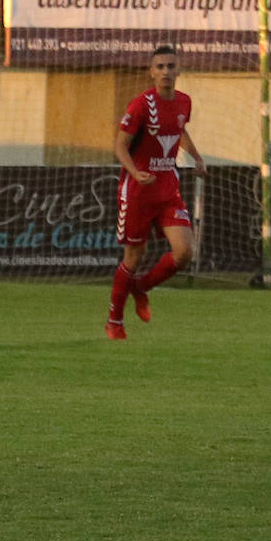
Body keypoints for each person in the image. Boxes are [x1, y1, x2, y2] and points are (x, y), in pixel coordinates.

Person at [105, 44, 206, 341]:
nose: (165, 72)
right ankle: (115, 320)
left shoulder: (184, 102)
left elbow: (179, 130)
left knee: (185, 252)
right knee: (134, 256)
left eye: (170, 66)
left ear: (179, 70)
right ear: (151, 71)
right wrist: (136, 172)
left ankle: (142, 287)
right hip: (137, 190)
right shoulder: (141, 105)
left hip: (167, 188)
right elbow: (119, 145)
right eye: (160, 67)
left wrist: (196, 157)